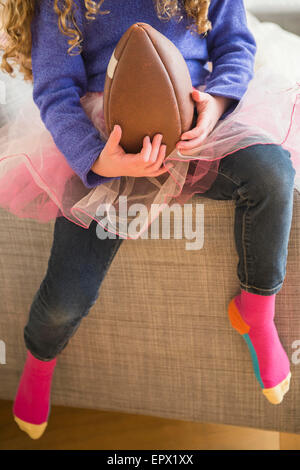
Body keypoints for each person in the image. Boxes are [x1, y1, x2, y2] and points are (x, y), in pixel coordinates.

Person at [0, 0, 298, 440]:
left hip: (197, 128)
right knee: (67, 295)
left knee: (273, 175)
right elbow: (54, 89)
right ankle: (40, 360)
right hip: (109, 143)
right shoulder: (60, 5)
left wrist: (214, 105)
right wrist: (99, 159)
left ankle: (255, 308)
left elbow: (235, 44)